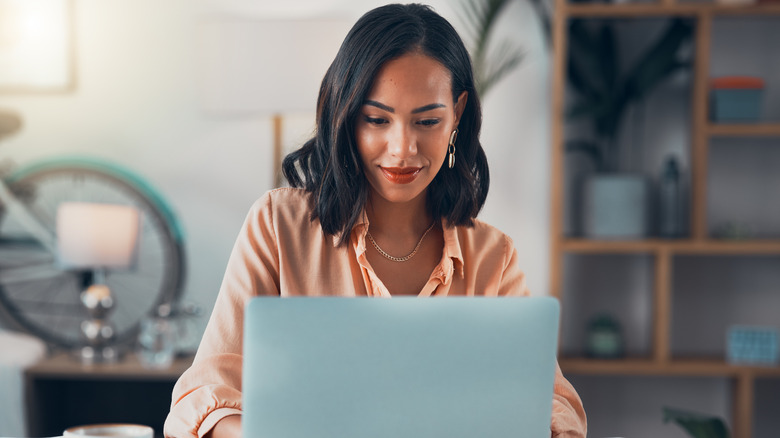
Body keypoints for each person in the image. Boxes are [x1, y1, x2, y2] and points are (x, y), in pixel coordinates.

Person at [164, 4, 586, 437]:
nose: (402, 148)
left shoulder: (491, 256)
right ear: (346, 116)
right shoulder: (277, 226)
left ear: (457, 114)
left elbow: (554, 403)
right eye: (376, 120)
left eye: (428, 121)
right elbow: (203, 396)